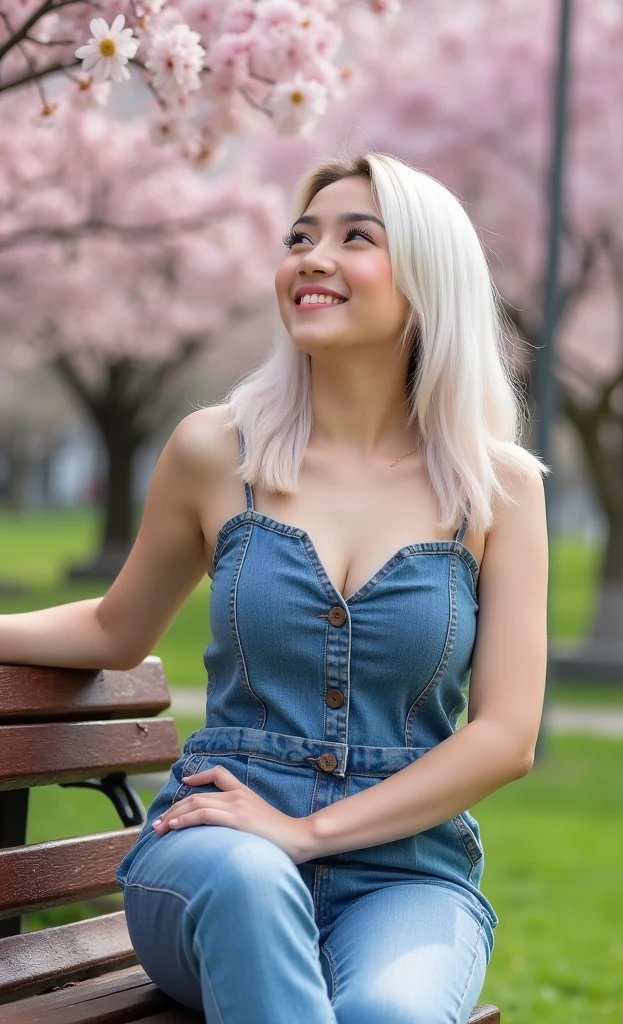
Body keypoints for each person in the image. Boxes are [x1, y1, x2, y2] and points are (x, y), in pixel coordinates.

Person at [1, 152, 549, 1024]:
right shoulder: (217, 451)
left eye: (355, 238)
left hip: (408, 874)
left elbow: (507, 736)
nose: (312, 257)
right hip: (213, 853)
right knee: (252, 881)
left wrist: (310, 833)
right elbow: (114, 629)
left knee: (393, 1015)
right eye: (300, 237)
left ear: (427, 282)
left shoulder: (500, 488)